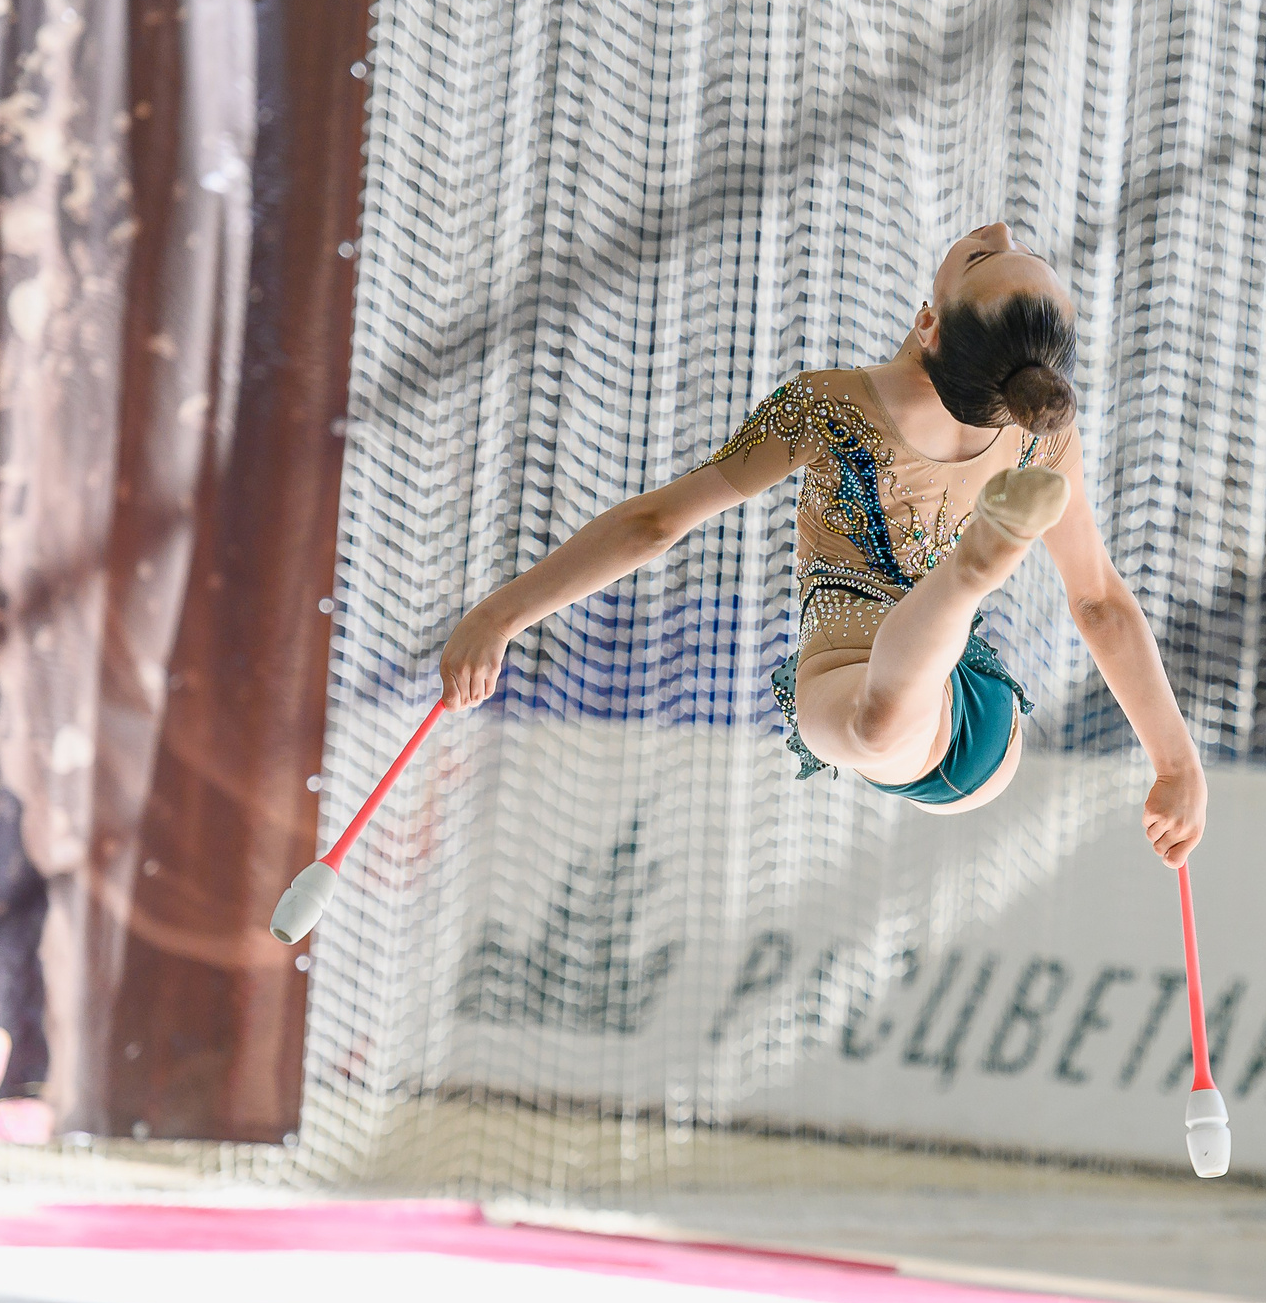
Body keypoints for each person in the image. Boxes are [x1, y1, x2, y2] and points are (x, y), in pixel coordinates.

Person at [432, 223, 1207, 867]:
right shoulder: (1043, 440)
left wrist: (503, 613)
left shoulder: (831, 403)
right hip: (966, 718)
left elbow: (658, 522)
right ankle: (965, 581)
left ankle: (970, 575)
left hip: (901, 700)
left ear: (928, 322)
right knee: (871, 719)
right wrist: (1175, 764)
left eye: (983, 254)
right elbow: (1098, 600)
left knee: (863, 721)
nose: (997, 228)